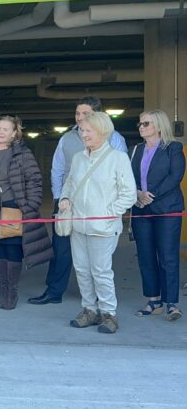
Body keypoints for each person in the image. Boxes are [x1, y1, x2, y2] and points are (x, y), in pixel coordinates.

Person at [29, 96, 127, 305]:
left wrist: (112, 209)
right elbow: (59, 170)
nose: (80, 118)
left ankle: (101, 303)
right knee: (61, 248)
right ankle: (54, 291)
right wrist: (59, 198)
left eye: (86, 114)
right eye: (77, 113)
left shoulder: (115, 139)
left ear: (99, 116)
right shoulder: (67, 138)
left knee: (97, 260)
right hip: (67, 203)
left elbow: (121, 179)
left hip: (99, 208)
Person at [60, 112, 136, 334]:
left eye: (88, 130)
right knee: (82, 270)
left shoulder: (118, 159)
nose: (84, 135)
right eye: (82, 130)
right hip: (78, 225)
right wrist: (65, 199)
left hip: (103, 227)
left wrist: (108, 213)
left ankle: (109, 313)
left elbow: (129, 195)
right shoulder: (78, 158)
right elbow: (69, 184)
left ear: (103, 131)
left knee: (101, 271)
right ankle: (89, 310)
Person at [0, 116, 53, 310]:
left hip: (13, 208)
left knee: (12, 249)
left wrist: (29, 205)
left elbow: (34, 181)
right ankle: (2, 292)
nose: (0, 132)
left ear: (15, 133)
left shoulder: (23, 154)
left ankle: (12, 293)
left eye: (5, 129)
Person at [130, 110, 185, 321]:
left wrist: (150, 196)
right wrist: (136, 194)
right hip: (140, 209)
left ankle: (172, 303)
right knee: (145, 256)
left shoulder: (173, 148)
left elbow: (175, 176)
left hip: (167, 208)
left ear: (159, 126)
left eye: (146, 123)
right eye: (140, 123)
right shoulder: (135, 150)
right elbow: (125, 176)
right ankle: (154, 301)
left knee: (168, 256)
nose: (141, 127)